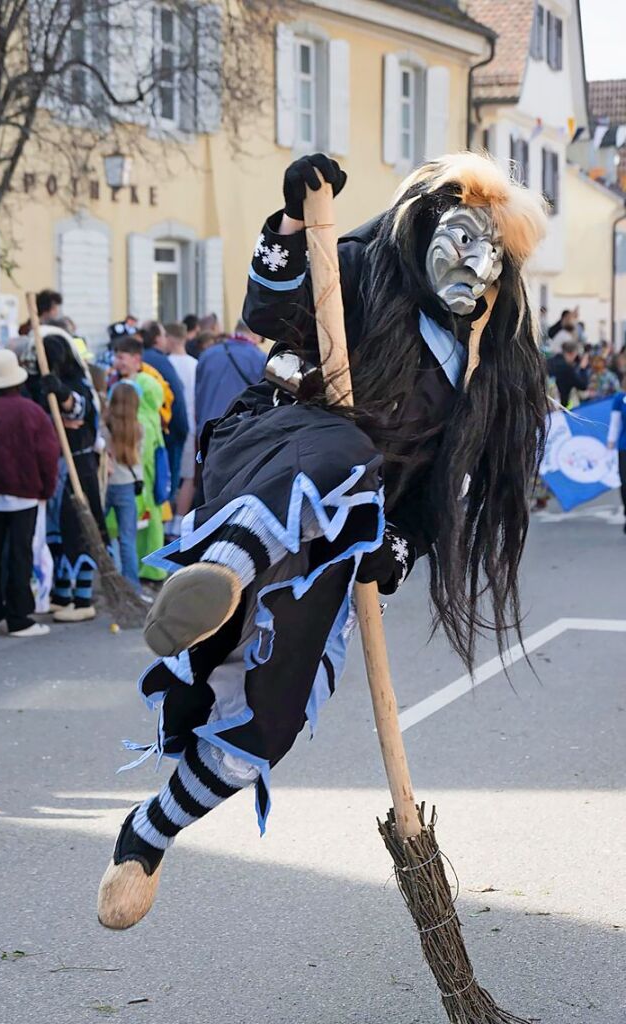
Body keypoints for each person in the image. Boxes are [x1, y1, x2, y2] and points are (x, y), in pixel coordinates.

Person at [97, 151, 549, 930]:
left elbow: (445, 498)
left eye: (490, 251)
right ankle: (222, 577)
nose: (472, 260)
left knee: (267, 724)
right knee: (344, 452)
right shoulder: (357, 269)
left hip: (344, 534)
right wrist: (292, 224)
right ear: (426, 225)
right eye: (461, 236)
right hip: (279, 443)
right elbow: (268, 315)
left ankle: (148, 834)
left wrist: (397, 548)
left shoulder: (486, 371)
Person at [0, 349, 59, 637]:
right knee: (20, 554)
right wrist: (47, 488)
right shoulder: (32, 411)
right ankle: (18, 615)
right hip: (24, 492)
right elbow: (48, 454)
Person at [38, 328, 107, 622]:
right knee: (59, 531)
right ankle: (62, 593)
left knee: (78, 529)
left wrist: (62, 395)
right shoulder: (43, 386)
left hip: (80, 468)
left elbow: (78, 408)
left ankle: (82, 598)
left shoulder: (77, 383)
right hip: (59, 468)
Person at [114, 337, 168, 582]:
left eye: (121, 357)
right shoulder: (135, 381)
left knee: (148, 508)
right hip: (138, 447)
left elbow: (148, 416)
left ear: (136, 359)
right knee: (141, 510)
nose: (118, 363)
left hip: (143, 451)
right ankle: (144, 564)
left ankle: (151, 566)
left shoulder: (145, 382)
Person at [140, 322, 189, 500]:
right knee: (164, 484)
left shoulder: (143, 359)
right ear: (156, 339)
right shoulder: (160, 361)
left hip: (146, 432)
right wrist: (183, 430)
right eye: (163, 335)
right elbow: (175, 397)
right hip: (167, 432)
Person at [194, 318, 266, 434]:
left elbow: (198, 398)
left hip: (207, 431)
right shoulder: (260, 359)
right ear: (254, 334)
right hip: (240, 431)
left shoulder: (207, 355)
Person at [104, 383, 144, 592]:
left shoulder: (104, 427)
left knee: (101, 534)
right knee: (127, 540)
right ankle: (132, 587)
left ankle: (103, 581)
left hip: (104, 487)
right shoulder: (138, 429)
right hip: (127, 486)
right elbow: (139, 460)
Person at [165, 322, 197, 535]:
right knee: (187, 476)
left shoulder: (166, 363)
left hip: (169, 424)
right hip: (191, 425)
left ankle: (167, 517)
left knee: (168, 472)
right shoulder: (195, 364)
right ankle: (179, 521)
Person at [607, 381, 626, 532]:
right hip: (624, 446)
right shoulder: (620, 398)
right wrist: (611, 441)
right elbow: (615, 422)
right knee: (625, 482)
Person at [546, 339, 589, 407]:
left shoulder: (549, 362)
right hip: (561, 407)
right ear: (573, 353)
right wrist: (582, 369)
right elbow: (583, 385)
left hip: (548, 405)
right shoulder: (568, 369)